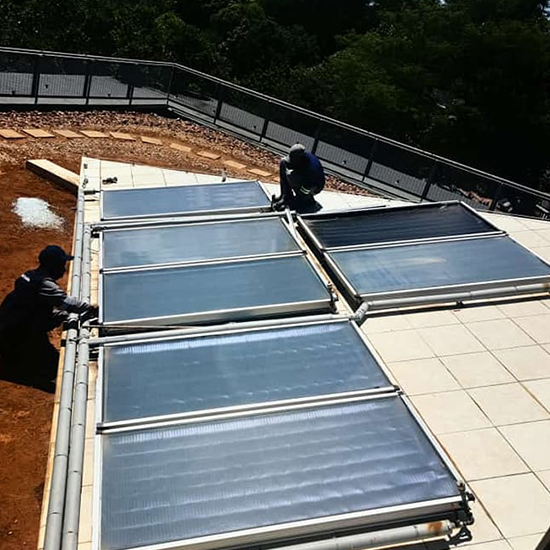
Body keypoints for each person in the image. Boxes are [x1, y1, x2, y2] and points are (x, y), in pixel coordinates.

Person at [0, 245, 97, 393]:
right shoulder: (44, 284)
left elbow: (39, 311)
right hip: (17, 334)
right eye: (62, 265)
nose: (64, 269)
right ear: (54, 266)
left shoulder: (30, 276)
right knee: (53, 367)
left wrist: (63, 316)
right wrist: (91, 309)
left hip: (10, 327)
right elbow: (68, 303)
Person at [272, 143, 325, 213]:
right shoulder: (301, 159)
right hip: (303, 176)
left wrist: (292, 203)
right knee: (283, 163)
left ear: (299, 158)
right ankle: (285, 196)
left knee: (292, 177)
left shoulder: (310, 168)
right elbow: (287, 163)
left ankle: (306, 201)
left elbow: (307, 187)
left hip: (314, 186)